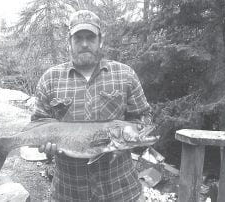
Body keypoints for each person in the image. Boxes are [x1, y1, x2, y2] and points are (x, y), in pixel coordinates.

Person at [31, 9, 152, 202]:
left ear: (100, 40)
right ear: (69, 42)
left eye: (91, 37)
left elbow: (143, 118)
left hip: (121, 192)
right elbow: (38, 122)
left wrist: (130, 142)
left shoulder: (125, 75)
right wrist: (46, 147)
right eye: (78, 38)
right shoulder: (50, 79)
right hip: (68, 193)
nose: (85, 44)